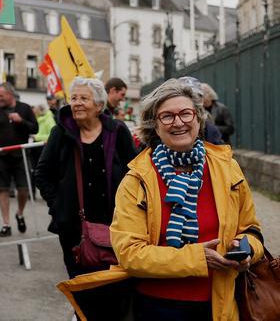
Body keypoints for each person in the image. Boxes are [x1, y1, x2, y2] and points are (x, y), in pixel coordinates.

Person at [61, 78, 264, 321]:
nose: (178, 122)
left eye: (186, 113)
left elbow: (251, 229)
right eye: (167, 116)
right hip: (158, 307)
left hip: (221, 304)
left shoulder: (227, 168)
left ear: (198, 119)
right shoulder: (137, 179)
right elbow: (130, 254)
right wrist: (197, 258)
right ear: (155, 127)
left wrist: (246, 249)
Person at [33, 77, 137, 277]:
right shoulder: (61, 133)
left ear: (99, 105)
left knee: (114, 282)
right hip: (73, 228)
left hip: (115, 223)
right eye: (74, 98)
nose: (77, 103)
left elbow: (134, 170)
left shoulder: (116, 131)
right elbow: (42, 173)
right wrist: (58, 206)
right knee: (80, 282)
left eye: (84, 98)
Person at [0, 82, 38, 236]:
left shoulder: (25, 108)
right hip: (1, 156)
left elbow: (35, 128)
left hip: (20, 156)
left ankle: (20, 214)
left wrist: (21, 121)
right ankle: (6, 224)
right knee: (2, 189)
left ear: (10, 95)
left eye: (1, 96)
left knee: (23, 188)